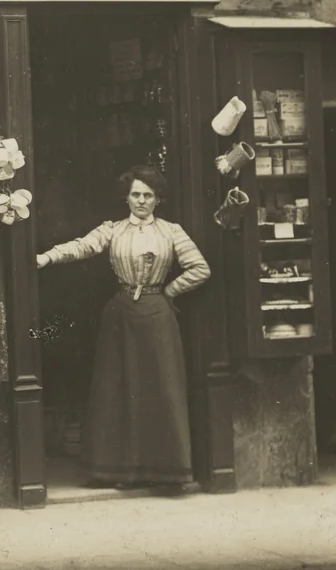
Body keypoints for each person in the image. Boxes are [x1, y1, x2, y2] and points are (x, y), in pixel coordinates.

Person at [36, 164, 211, 489]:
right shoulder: (113, 229)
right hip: (120, 317)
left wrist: (170, 291)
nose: (141, 201)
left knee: (161, 389)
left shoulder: (172, 231)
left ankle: (164, 473)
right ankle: (118, 472)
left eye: (148, 195)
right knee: (118, 389)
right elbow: (82, 246)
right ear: (126, 198)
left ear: (158, 199)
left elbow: (200, 268)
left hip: (158, 315)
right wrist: (47, 257)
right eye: (135, 195)